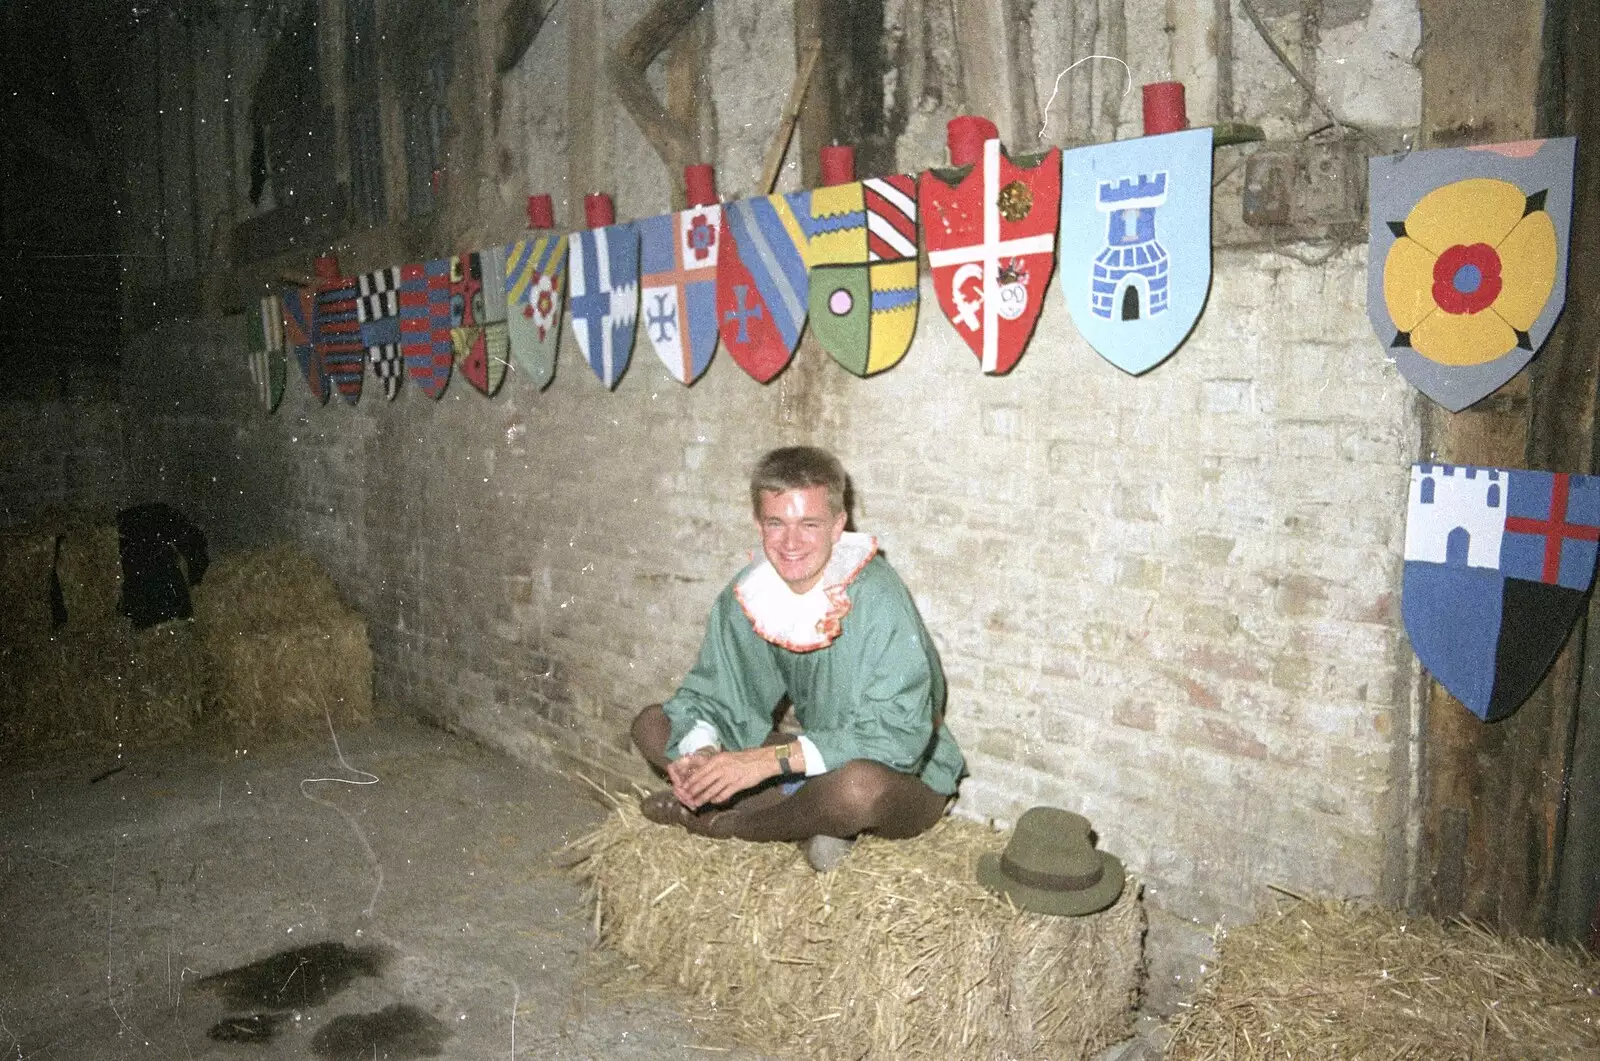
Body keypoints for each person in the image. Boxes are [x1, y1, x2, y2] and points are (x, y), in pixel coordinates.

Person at [631, 446, 965, 870]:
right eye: (776, 523)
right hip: (815, 759)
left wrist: (762, 763)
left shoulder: (878, 596)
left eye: (809, 523)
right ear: (759, 524)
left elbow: (897, 739)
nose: (791, 543)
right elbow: (717, 693)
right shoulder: (752, 593)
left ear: (837, 526)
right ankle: (805, 824)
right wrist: (701, 753)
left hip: (901, 773)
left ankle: (730, 826)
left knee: (856, 790)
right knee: (652, 724)